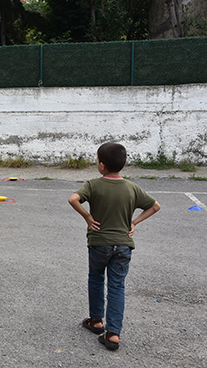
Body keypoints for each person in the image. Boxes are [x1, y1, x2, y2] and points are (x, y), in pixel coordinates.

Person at [68, 142, 160, 350]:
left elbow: (73, 199)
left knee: (96, 279)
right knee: (117, 286)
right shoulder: (132, 188)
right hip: (123, 245)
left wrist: (87, 216)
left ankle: (96, 321)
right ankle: (113, 334)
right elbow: (155, 206)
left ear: (101, 165)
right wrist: (134, 222)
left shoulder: (93, 185)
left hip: (99, 243)